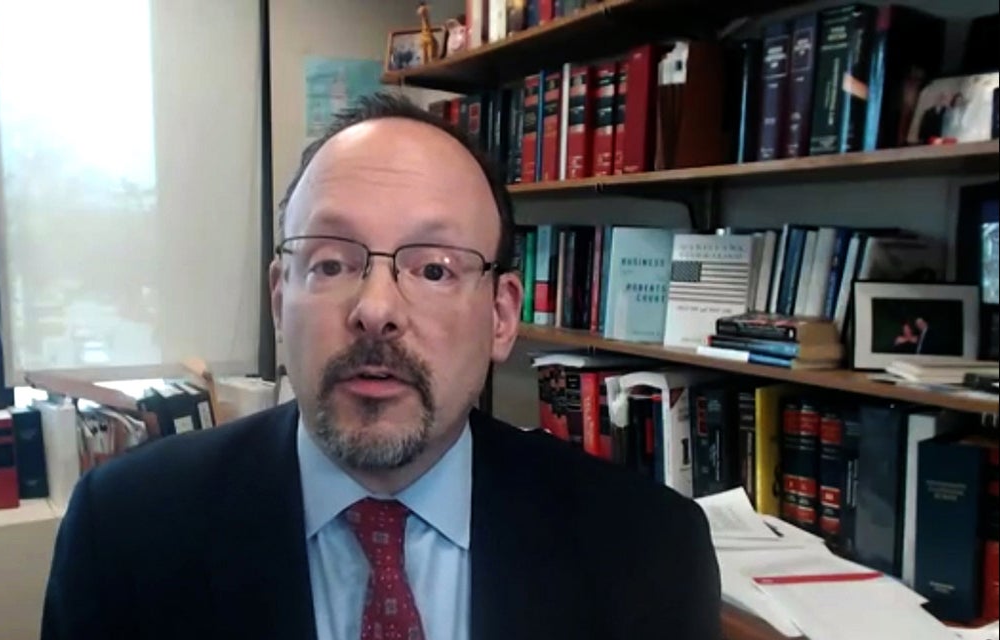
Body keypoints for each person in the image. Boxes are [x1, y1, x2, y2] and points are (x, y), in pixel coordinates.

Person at [40, 92, 722, 640]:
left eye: (433, 267)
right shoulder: (125, 534)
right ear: (281, 300)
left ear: (501, 316)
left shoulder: (648, 548)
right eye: (332, 262)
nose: (375, 310)